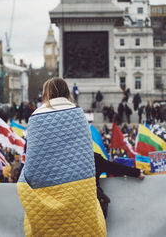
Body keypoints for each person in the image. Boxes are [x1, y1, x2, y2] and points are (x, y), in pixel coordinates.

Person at [17, 77, 106, 236]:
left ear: (46, 94)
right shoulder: (79, 114)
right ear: (67, 93)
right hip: (80, 191)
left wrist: (23, 180)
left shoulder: (36, 118)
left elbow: (31, 165)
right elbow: (86, 155)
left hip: (48, 191)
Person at [95, 152, 144, 218]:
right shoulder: (93, 158)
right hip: (94, 204)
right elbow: (114, 167)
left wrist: (136, 172)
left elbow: (114, 167)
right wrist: (136, 173)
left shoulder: (93, 158)